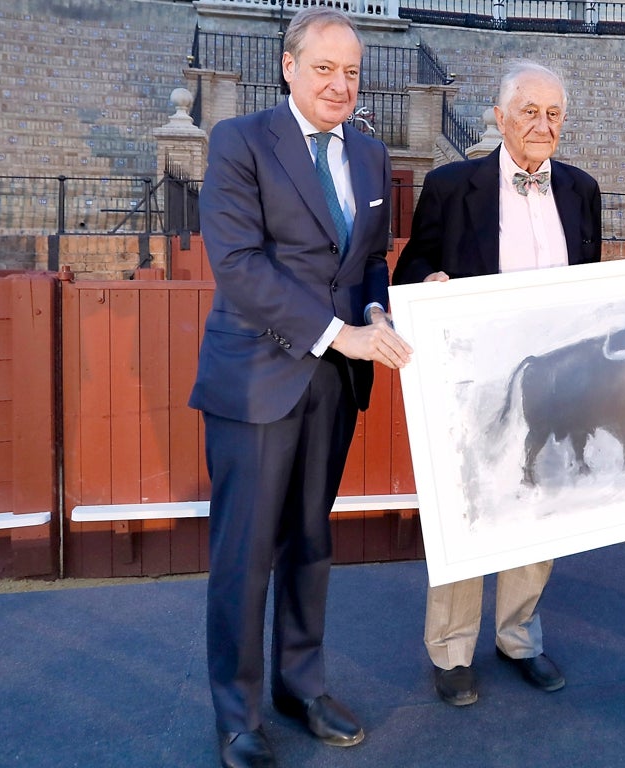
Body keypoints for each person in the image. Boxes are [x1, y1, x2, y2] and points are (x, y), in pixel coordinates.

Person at [188, 8, 412, 768]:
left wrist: (376, 308)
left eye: (351, 72)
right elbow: (242, 267)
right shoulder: (240, 141)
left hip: (332, 383)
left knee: (311, 543)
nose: (339, 84)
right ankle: (239, 716)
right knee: (245, 552)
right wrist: (339, 331)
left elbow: (371, 258)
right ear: (289, 67)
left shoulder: (374, 157)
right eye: (325, 68)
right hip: (255, 376)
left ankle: (300, 684)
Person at [392, 60, 602, 707]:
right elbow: (412, 267)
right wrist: (427, 283)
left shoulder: (582, 189)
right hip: (474, 384)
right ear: (501, 117)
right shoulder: (454, 186)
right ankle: (452, 650)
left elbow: (590, 286)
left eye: (554, 114)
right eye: (530, 112)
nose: (543, 125)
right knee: (467, 513)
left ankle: (519, 637)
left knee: (538, 509)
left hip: (553, 381)